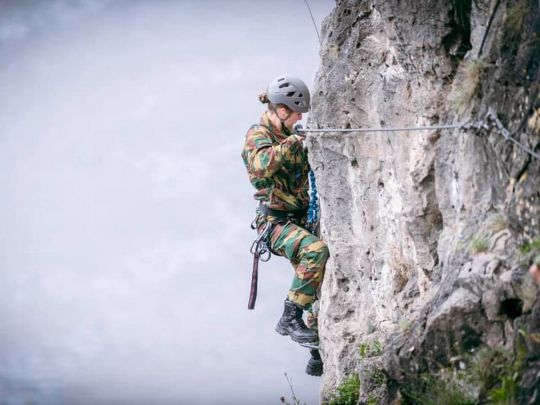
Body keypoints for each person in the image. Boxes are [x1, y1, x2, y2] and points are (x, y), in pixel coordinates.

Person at [241, 74, 329, 376]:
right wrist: (294, 142)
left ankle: (317, 353)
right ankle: (288, 318)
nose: (300, 118)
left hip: (299, 219)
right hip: (275, 223)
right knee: (315, 251)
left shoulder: (288, 133)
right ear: (281, 111)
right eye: (296, 113)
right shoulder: (257, 135)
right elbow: (260, 165)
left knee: (314, 281)